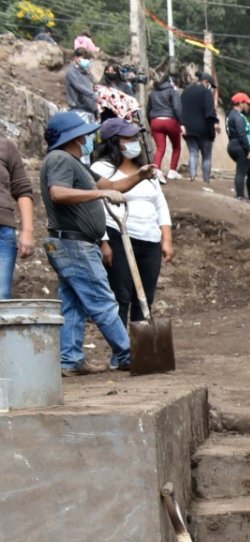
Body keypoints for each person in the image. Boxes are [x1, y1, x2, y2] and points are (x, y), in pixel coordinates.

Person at [41, 112, 154, 375]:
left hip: (72, 243)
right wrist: (101, 193)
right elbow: (57, 192)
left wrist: (140, 174)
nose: (88, 138)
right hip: (74, 244)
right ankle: (128, 355)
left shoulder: (76, 163)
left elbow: (114, 185)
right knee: (102, 300)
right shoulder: (59, 159)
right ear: (74, 137)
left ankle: (70, 360)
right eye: (84, 134)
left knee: (74, 303)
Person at [92, 118, 174, 326]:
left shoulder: (147, 170)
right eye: (128, 137)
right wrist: (103, 241)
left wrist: (166, 239)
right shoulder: (101, 169)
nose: (134, 141)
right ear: (114, 142)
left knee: (145, 298)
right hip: (119, 236)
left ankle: (139, 350)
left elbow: (160, 204)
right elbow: (97, 205)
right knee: (121, 295)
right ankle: (120, 352)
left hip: (150, 239)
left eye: (134, 137)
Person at [0, 137, 34, 300]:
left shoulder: (5, 146)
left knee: (1, 298)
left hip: (2, 233)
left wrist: (27, 231)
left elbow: (23, 190)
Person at [180, 73, 219, 183]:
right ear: (206, 82)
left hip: (188, 129)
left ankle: (192, 177)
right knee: (206, 156)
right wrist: (215, 124)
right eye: (210, 85)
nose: (210, 88)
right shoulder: (207, 93)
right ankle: (206, 180)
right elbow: (210, 113)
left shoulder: (185, 92)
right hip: (205, 130)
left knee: (193, 153)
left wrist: (182, 124)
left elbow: (180, 110)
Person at [147, 75, 184, 180]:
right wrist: (181, 123)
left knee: (160, 148)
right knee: (176, 147)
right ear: (169, 82)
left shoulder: (152, 93)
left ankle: (156, 170)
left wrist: (151, 123)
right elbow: (177, 108)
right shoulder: (172, 91)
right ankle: (172, 171)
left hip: (155, 121)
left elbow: (148, 110)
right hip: (170, 121)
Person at [226, 92, 250, 205]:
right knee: (241, 172)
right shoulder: (238, 117)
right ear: (240, 103)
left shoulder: (230, 114)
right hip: (240, 147)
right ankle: (240, 196)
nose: (249, 106)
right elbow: (241, 134)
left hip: (233, 145)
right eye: (247, 103)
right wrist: (249, 150)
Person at [65, 48, 97, 124]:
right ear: (76, 58)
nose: (86, 61)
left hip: (90, 110)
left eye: (87, 59)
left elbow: (90, 86)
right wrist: (94, 96)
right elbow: (79, 86)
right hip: (79, 110)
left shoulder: (86, 72)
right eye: (84, 58)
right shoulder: (71, 71)